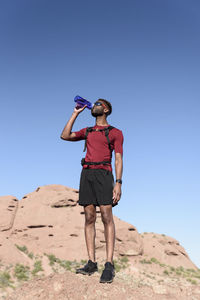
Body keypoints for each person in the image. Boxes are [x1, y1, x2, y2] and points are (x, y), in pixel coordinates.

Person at [60, 98, 124, 283]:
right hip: (86, 174)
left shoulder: (115, 132)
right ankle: (91, 262)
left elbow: (118, 158)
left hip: (104, 174)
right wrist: (75, 113)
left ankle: (109, 265)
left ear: (105, 109)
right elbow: (65, 135)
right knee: (89, 216)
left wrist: (118, 182)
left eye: (98, 104)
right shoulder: (87, 131)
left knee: (106, 215)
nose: (93, 105)